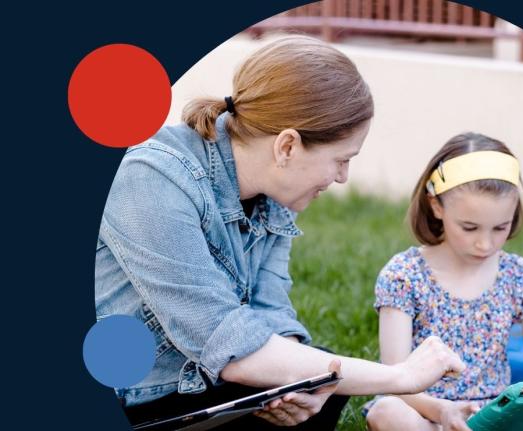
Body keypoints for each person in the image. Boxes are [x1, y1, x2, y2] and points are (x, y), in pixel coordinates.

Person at [94, 35, 464, 430]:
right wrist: (401, 377)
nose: (343, 177)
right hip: (141, 402)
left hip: (207, 388)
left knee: (319, 385)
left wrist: (295, 386)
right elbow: (227, 343)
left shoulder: (273, 194)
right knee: (328, 375)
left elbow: (270, 312)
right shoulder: (151, 179)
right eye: (341, 160)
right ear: (287, 146)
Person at [364, 133, 523, 431]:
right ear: (436, 206)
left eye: (500, 228)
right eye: (469, 227)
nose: (485, 244)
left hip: (495, 417)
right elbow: (394, 379)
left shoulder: (521, 276)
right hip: (424, 412)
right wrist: (443, 412)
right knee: (386, 411)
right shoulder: (404, 274)